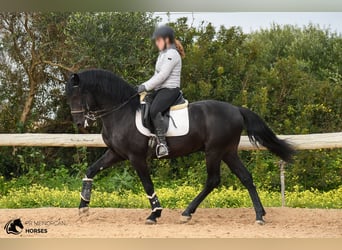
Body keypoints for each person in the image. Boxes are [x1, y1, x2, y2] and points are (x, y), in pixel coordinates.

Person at [137, 25, 185, 158]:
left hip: (170, 90)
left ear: (167, 40)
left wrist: (145, 87)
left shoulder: (172, 54)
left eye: (158, 40)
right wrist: (142, 86)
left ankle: (163, 144)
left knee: (154, 110)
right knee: (144, 103)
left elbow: (163, 76)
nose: (156, 43)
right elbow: (155, 75)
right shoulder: (162, 54)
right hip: (160, 90)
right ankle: (151, 136)